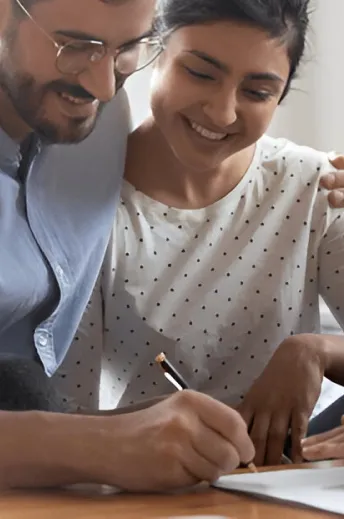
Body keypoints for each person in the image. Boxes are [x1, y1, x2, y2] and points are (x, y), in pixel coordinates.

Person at [56, 0, 344, 469]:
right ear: (153, 52)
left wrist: (315, 350)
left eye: (256, 92)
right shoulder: (84, 205)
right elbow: (66, 412)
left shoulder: (313, 184)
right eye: (200, 74)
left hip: (288, 472)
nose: (223, 112)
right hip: (138, 474)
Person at [0, 0, 257, 491]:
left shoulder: (99, 114)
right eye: (75, 47)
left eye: (128, 48)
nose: (103, 85)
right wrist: (93, 444)